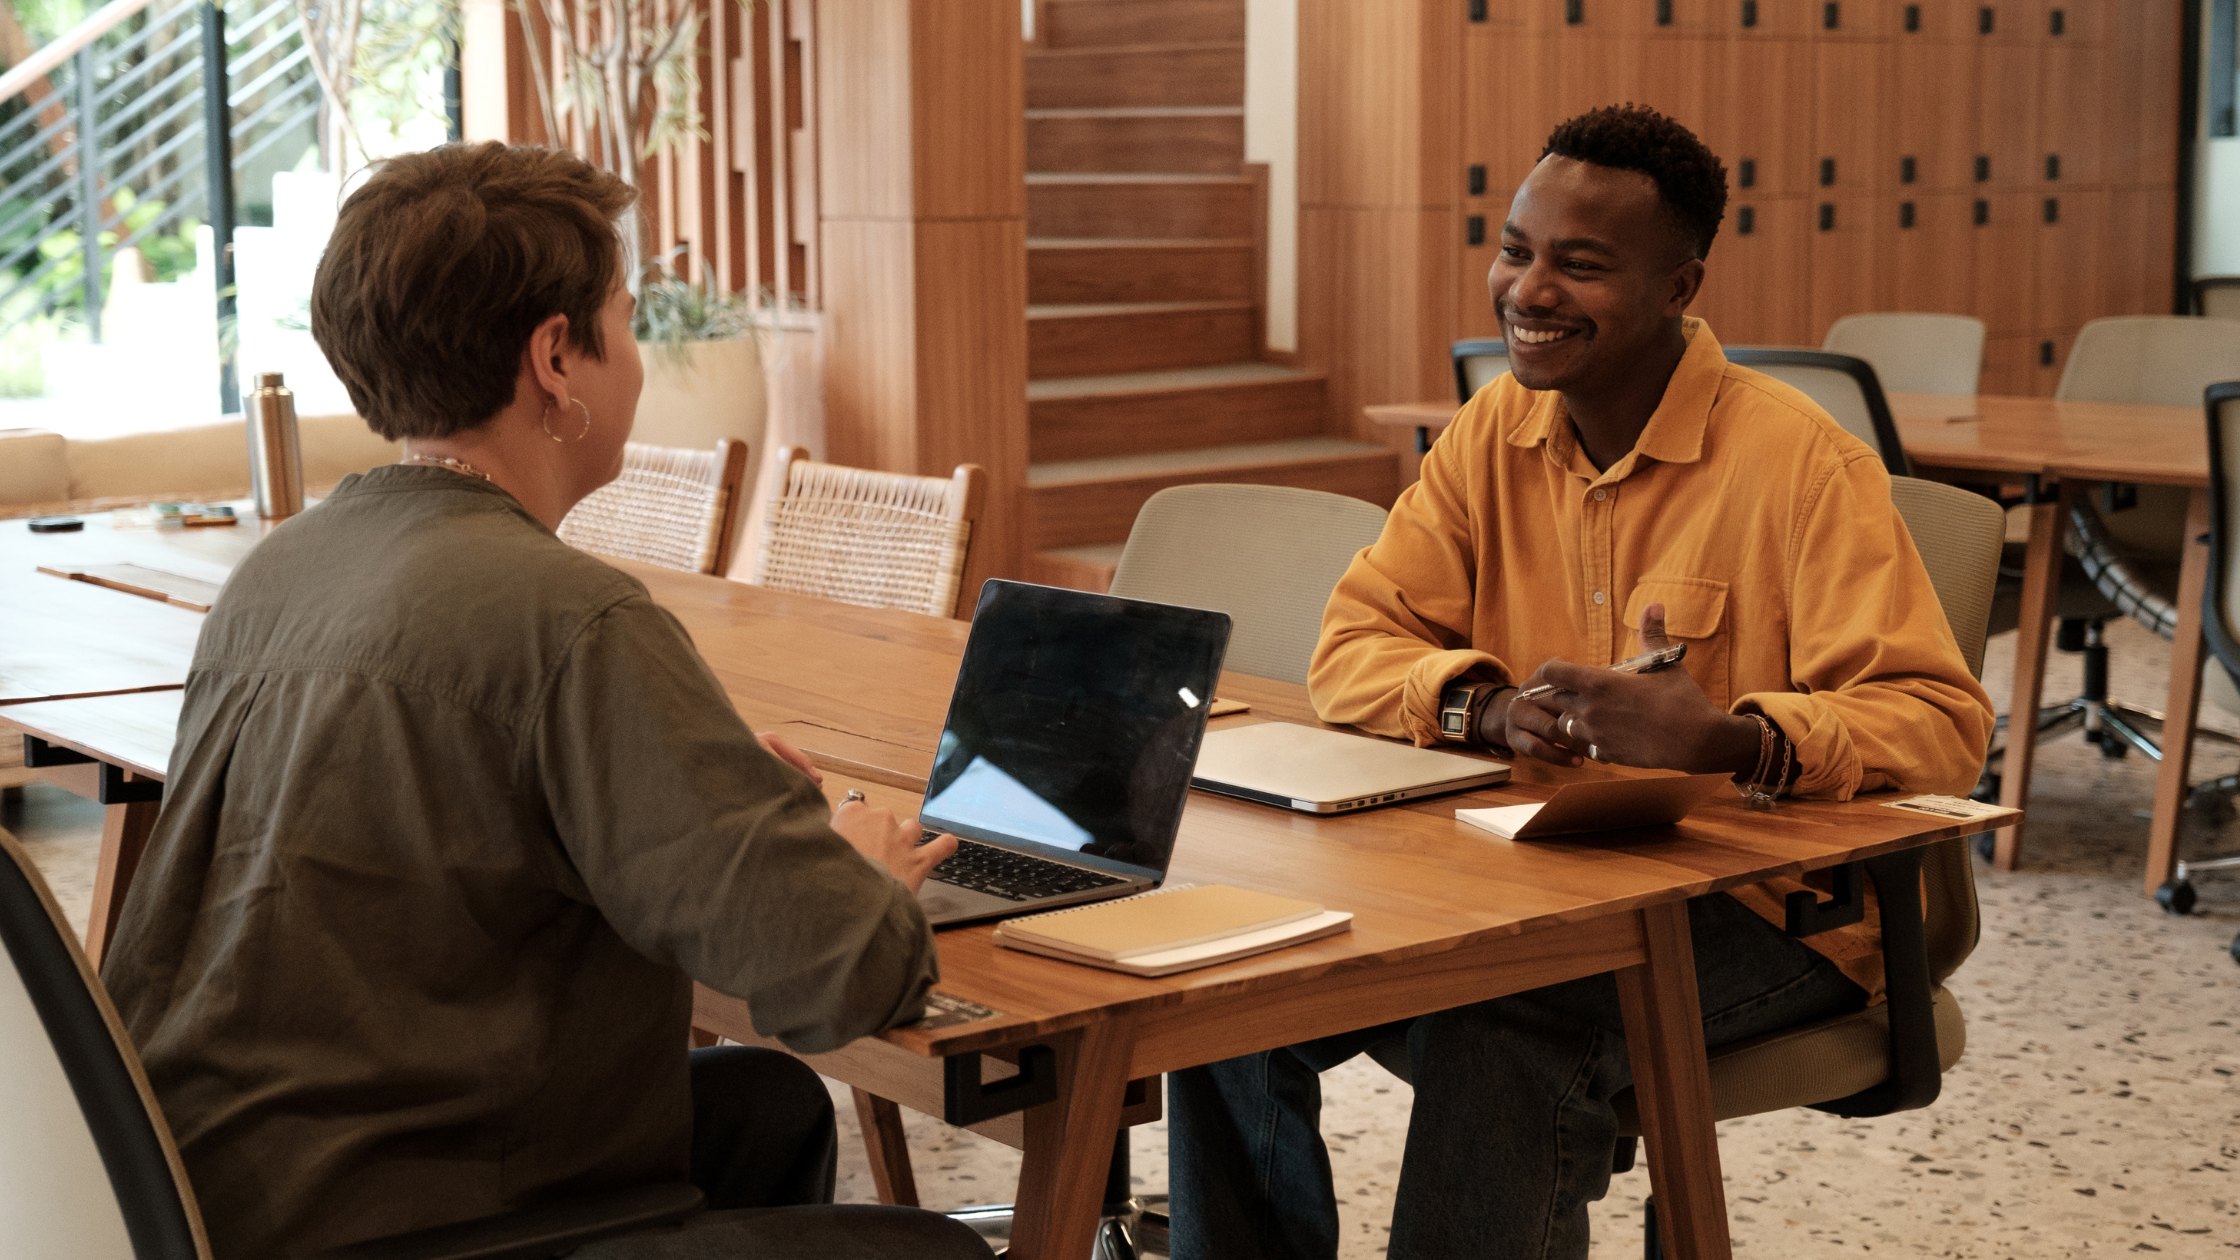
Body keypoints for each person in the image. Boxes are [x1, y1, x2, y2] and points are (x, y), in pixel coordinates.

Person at [101, 142, 989, 1260]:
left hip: (202, 1199)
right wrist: (858, 869)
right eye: (625, 320)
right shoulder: (570, 618)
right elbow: (844, 972)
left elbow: (461, 821)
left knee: (764, 1110)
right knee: (938, 1251)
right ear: (556, 358)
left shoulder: (286, 567)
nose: (640, 359)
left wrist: (699, 794)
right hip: (412, 1220)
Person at [1166, 105, 1995, 1260]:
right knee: (1231, 975)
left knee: (1506, 1019)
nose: (1528, 289)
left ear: (1678, 285)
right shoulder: (1487, 434)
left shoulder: (1801, 463)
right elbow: (1352, 646)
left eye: (1581, 264)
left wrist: (1729, 743)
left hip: (1764, 920)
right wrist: (1490, 707)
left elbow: (1940, 725)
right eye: (1515, 248)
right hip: (1522, 880)